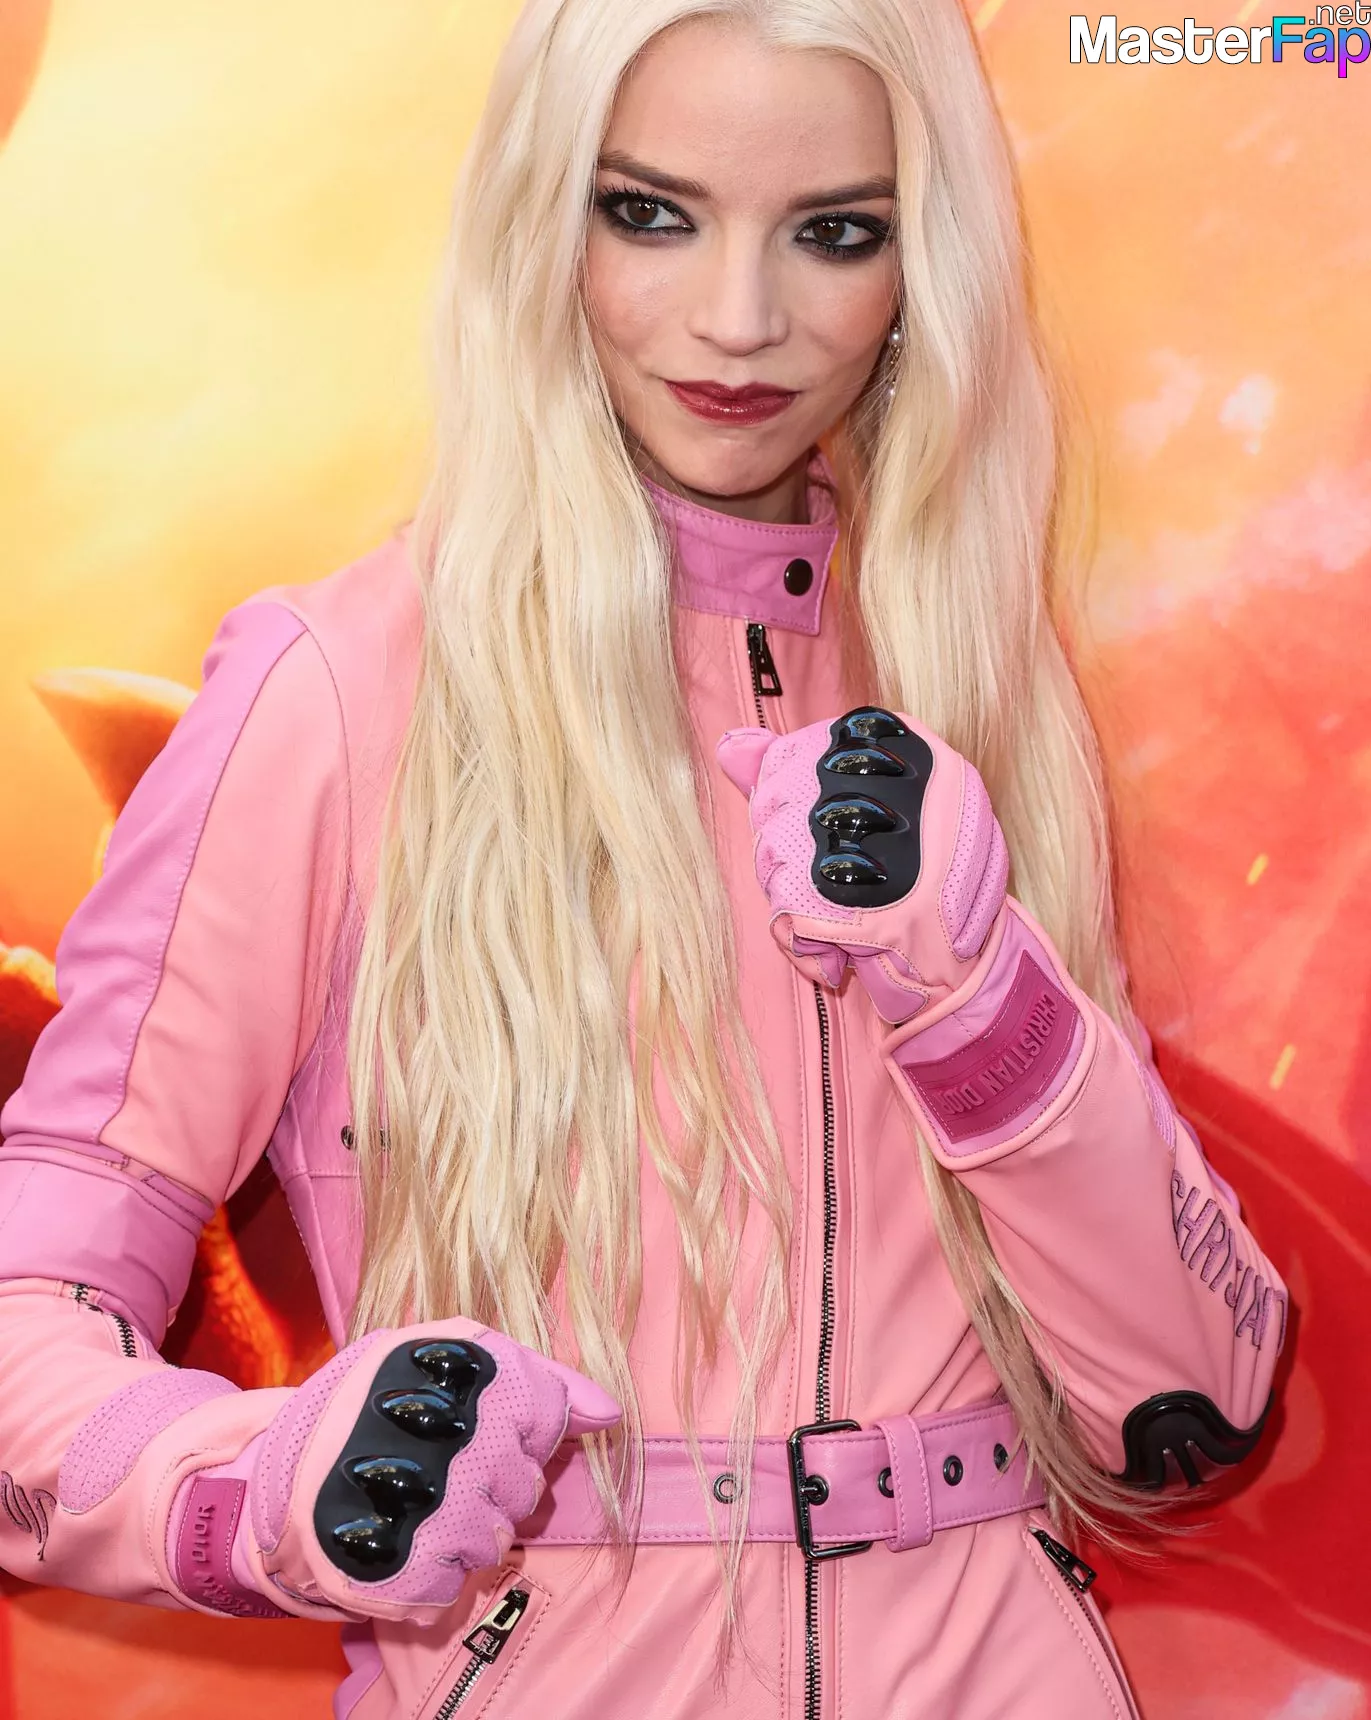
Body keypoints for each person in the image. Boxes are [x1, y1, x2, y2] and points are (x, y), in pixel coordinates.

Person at [0, 2, 1288, 1716]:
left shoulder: (979, 686)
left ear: (922, 269)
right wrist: (264, 1489)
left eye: (835, 233)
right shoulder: (334, 688)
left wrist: (977, 999)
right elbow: (27, 1318)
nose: (738, 318)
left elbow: (1192, 1401)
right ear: (544, 215)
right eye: (650, 212)